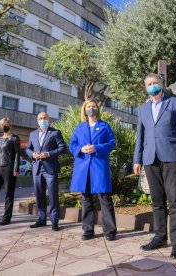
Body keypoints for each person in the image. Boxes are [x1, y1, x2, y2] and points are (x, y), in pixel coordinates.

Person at [133, 73, 176, 259]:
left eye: (155, 83)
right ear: (145, 88)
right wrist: (137, 160)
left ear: (162, 84)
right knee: (157, 201)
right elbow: (140, 137)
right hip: (150, 159)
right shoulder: (142, 109)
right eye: (149, 84)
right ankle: (160, 237)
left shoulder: (174, 103)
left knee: (174, 201)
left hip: (172, 157)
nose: (152, 86)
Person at [69, 100, 117, 241]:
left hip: (99, 166)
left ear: (98, 108)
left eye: (94, 106)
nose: (91, 109)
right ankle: (88, 230)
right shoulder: (79, 128)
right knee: (86, 198)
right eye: (88, 107)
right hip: (83, 167)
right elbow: (72, 145)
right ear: (84, 110)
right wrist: (81, 149)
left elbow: (111, 143)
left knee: (104, 198)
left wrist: (97, 148)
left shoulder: (104, 126)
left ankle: (110, 231)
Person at [26, 112, 67, 231]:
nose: (42, 120)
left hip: (50, 168)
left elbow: (62, 148)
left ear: (49, 120)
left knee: (53, 195)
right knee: (39, 194)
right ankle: (41, 219)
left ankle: (54, 220)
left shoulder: (55, 132)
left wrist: (48, 154)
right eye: (40, 118)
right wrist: (32, 154)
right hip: (37, 168)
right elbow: (28, 148)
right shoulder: (33, 134)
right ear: (37, 120)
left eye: (44, 118)